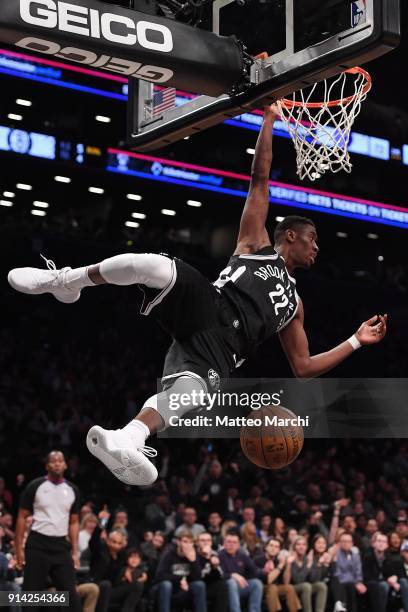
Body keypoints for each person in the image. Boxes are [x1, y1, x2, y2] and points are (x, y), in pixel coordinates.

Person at [8, 105, 388, 487]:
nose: (317, 248)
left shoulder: (296, 306)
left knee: (190, 395)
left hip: (225, 348)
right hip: (210, 302)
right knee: (152, 265)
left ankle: (129, 437)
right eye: (313, 239)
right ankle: (66, 280)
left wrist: (356, 340)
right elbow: (259, 179)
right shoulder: (256, 245)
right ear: (290, 235)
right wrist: (269, 120)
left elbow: (303, 368)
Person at [14, 451, 82, 611]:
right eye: (53, 461)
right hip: (37, 544)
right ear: (47, 466)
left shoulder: (73, 490)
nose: (57, 463)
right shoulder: (35, 486)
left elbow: (74, 522)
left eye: (60, 461)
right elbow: (22, 517)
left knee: (71, 597)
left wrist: (75, 552)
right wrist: (19, 550)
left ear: (65, 465)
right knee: (31, 596)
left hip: (61, 547)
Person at [154, 531, 207, 612]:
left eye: (190, 542)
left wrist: (193, 561)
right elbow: (159, 575)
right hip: (171, 587)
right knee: (166, 585)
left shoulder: (194, 554)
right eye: (185, 541)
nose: (188, 545)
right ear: (178, 542)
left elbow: (197, 578)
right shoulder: (169, 553)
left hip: (186, 587)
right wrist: (180, 579)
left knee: (200, 585)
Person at [219, 532, 263, 612]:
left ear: (239, 545)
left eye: (234, 542)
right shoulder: (219, 556)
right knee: (232, 582)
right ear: (224, 544)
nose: (231, 545)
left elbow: (254, 570)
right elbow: (219, 575)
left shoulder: (242, 555)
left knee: (257, 583)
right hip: (224, 589)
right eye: (229, 542)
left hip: (240, 587)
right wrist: (232, 575)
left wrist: (265, 571)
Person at [254, 537, 300, 612]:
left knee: (289, 587)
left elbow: (286, 582)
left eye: (276, 547)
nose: (273, 548)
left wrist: (288, 564)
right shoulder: (258, 560)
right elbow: (268, 580)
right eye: (271, 546)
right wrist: (280, 566)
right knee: (273, 587)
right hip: (261, 587)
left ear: (279, 550)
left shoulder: (278, 561)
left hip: (276, 588)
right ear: (266, 547)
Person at [284, 536, 327, 612]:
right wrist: (307, 567)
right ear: (294, 547)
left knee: (321, 585)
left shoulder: (308, 559)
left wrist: (318, 564)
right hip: (293, 587)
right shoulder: (291, 560)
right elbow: (297, 580)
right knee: (306, 586)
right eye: (298, 544)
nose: (301, 547)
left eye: (304, 545)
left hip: (307, 586)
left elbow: (314, 579)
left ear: (306, 547)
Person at [331, 532, 367, 612]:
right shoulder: (337, 554)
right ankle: (339, 605)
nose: (346, 544)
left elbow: (358, 571)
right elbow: (337, 573)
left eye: (348, 541)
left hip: (351, 582)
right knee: (349, 586)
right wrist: (355, 582)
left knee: (360, 588)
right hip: (340, 582)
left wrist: (359, 582)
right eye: (343, 541)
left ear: (352, 543)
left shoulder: (355, 555)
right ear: (339, 543)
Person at [196, 531, 229, 612]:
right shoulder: (194, 555)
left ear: (211, 542)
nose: (205, 543)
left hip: (209, 587)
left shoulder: (215, 554)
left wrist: (215, 567)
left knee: (222, 585)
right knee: (200, 585)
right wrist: (206, 558)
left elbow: (220, 576)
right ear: (197, 543)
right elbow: (198, 576)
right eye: (202, 540)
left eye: (208, 540)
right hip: (196, 586)